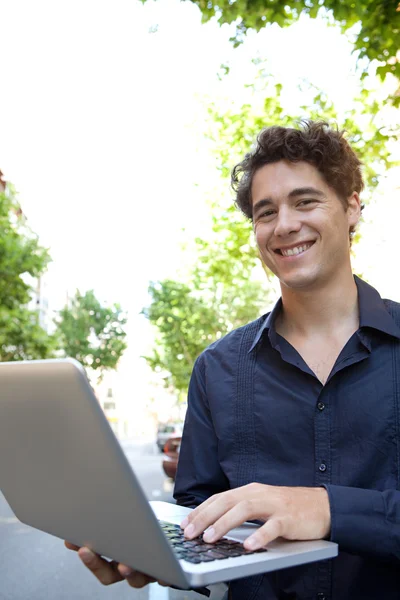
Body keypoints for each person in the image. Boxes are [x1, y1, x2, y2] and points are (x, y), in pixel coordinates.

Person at [66, 121, 400, 599]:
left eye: (305, 201)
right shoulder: (215, 369)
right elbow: (197, 517)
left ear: (352, 207)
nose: (284, 224)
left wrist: (328, 510)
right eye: (266, 212)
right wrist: (156, 556)